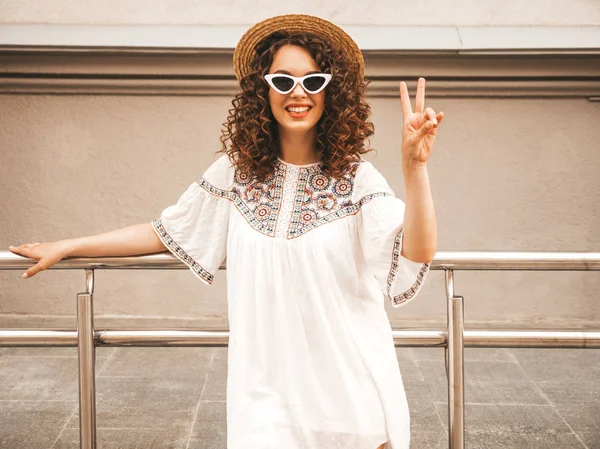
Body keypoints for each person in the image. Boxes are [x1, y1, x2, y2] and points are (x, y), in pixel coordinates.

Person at [9, 13, 442, 449]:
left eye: (313, 82)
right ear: (262, 90)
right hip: (263, 400)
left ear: (331, 94)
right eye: (282, 80)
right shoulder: (236, 176)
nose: (298, 93)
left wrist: (415, 169)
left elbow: (418, 251)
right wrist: (71, 245)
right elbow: (165, 231)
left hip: (349, 399)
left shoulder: (358, 180)